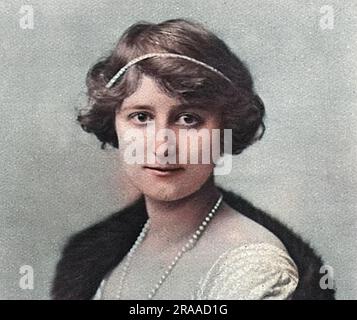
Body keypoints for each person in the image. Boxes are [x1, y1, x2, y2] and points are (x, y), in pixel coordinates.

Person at [51, 18, 335, 300]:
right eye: (141, 117)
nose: (162, 146)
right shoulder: (112, 252)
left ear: (225, 130)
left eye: (188, 119)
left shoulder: (253, 269)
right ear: (114, 123)